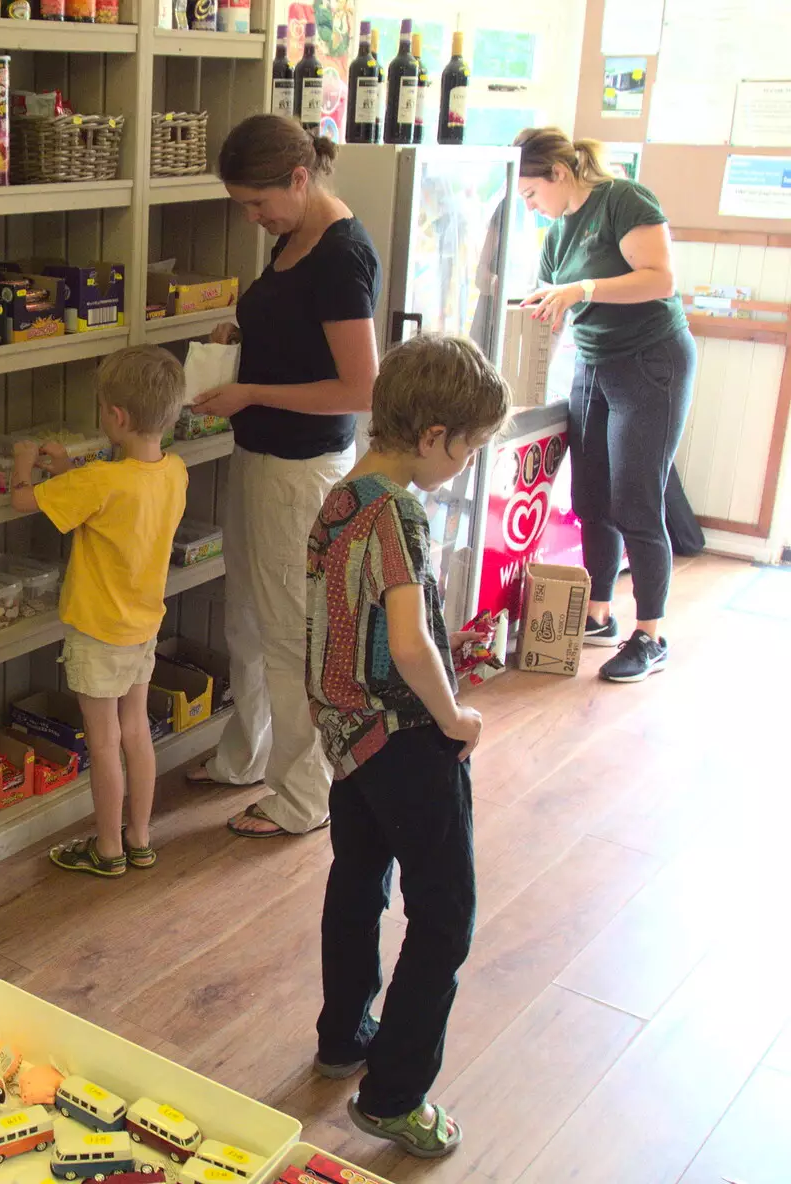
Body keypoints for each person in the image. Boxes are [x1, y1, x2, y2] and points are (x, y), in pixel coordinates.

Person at [307, 333, 509, 1159]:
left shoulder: (341, 496)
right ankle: (395, 1096)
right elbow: (412, 642)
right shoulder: (402, 512)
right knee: (445, 916)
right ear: (434, 436)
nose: (464, 463)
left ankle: (344, 1032)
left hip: (344, 735)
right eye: (468, 447)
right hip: (402, 736)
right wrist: (456, 718)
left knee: (357, 878)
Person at [185, 114, 381, 838]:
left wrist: (254, 392)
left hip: (300, 471)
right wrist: (244, 340)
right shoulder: (294, 235)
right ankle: (246, 757)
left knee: (291, 632)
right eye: (243, 203)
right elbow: (300, 341)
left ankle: (303, 796)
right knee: (247, 617)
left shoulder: (340, 256)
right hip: (261, 455)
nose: (252, 216)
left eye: (259, 202)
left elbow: (361, 387)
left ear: (301, 179)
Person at [515, 128, 694, 683]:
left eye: (530, 195)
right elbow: (549, 295)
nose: (532, 208)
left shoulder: (624, 199)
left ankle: (651, 635)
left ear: (559, 174)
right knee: (590, 497)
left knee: (636, 499)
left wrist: (583, 290)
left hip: (650, 363)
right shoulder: (557, 233)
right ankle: (598, 616)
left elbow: (661, 279)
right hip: (593, 363)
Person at [11, 345, 188, 877]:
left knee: (104, 740)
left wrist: (25, 463)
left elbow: (25, 500)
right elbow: (109, 501)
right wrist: (66, 468)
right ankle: (139, 837)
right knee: (136, 731)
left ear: (115, 417)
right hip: (143, 627)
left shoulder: (101, 482)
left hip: (96, 632)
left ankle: (106, 848)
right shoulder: (173, 472)